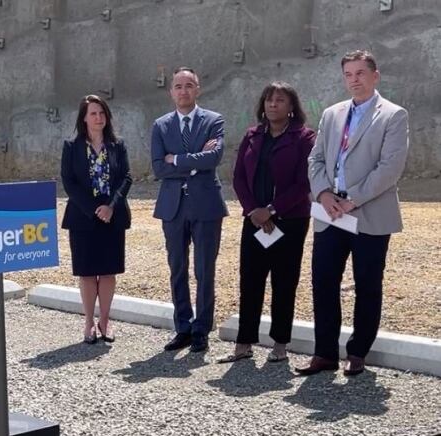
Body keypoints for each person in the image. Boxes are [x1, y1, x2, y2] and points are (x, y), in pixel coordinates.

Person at [296, 50, 409, 376]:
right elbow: (315, 160)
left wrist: (353, 199)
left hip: (369, 213)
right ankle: (325, 354)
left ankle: (358, 352)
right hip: (330, 212)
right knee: (324, 282)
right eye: (348, 74)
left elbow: (390, 168)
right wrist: (323, 193)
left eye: (360, 73)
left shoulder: (393, 115)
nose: (354, 80)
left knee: (368, 284)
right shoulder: (332, 114)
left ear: (375, 76)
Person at [218, 82, 316, 364]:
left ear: (291, 107)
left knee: (284, 283)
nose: (273, 105)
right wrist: (253, 211)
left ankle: (280, 344)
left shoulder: (304, 138)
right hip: (254, 221)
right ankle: (244, 343)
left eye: (280, 100)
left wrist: (271, 210)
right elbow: (238, 178)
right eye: (269, 100)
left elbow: (303, 182)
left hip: (290, 221)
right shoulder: (253, 136)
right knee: (250, 281)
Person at [151, 67, 228, 353]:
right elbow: (158, 167)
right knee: (177, 269)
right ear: (171, 91)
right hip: (173, 207)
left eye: (189, 85)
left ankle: (201, 329)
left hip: (206, 206)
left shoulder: (213, 121)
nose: (183, 91)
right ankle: (183, 326)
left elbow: (214, 157)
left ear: (198, 89)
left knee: (204, 269)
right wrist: (194, 163)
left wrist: (178, 159)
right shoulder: (160, 125)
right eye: (178, 86)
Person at [61, 94, 132, 344]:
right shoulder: (72, 147)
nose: (98, 118)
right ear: (84, 118)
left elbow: (126, 178)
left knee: (109, 272)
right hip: (83, 217)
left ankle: (105, 321)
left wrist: (111, 206)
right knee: (88, 273)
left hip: (113, 217)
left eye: (102, 113)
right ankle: (89, 321)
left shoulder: (117, 145)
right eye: (93, 113)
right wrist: (94, 209)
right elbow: (69, 182)